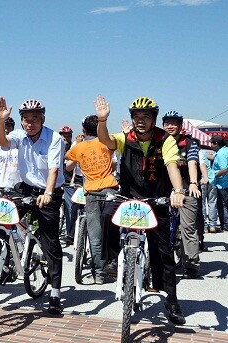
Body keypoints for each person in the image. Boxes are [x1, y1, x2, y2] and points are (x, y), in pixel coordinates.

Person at [95, 95, 187, 325]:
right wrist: (102, 120)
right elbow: (105, 140)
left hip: (157, 199)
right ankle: (112, 261)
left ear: (154, 119)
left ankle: (172, 300)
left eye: (145, 116)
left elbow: (172, 164)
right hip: (128, 196)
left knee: (163, 251)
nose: (140, 120)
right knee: (107, 214)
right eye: (136, 116)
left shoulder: (164, 139)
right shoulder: (127, 138)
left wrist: (177, 191)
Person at [0, 96, 65, 315]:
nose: (30, 122)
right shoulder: (19, 135)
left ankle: (55, 291)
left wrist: (49, 193)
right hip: (25, 188)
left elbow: (54, 169)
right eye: (26, 118)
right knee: (2, 219)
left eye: (35, 118)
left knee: (50, 240)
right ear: (22, 121)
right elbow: (2, 143)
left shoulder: (54, 138)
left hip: (48, 191)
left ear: (42, 118)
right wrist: (0, 121)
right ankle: (4, 263)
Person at [65, 115, 119, 284]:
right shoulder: (106, 142)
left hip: (91, 193)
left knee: (95, 236)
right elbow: (116, 164)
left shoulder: (78, 147)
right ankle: (114, 260)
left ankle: (99, 274)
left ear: (83, 130)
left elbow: (67, 165)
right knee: (111, 228)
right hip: (111, 189)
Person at [162, 111, 201, 278]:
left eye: (173, 123)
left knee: (187, 227)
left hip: (185, 189)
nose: (170, 126)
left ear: (180, 126)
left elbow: (192, 163)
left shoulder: (189, 143)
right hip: (164, 191)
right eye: (167, 123)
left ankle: (191, 263)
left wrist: (193, 183)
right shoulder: (159, 142)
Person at [59, 125, 83, 245]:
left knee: (72, 207)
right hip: (60, 181)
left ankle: (73, 233)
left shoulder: (74, 145)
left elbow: (71, 164)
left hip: (71, 181)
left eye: (68, 135)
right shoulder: (58, 146)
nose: (66, 137)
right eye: (64, 135)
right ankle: (69, 233)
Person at [211, 135, 228, 232]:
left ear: (216, 143)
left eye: (211, 143)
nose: (210, 145)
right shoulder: (224, 150)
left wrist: (212, 176)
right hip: (224, 182)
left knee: (223, 204)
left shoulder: (221, 154)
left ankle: (225, 224)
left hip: (222, 183)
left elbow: (224, 169)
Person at [200, 147, 219, 234]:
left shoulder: (196, 152)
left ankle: (204, 226)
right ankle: (212, 225)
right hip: (212, 179)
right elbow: (216, 157)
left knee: (202, 203)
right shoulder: (208, 152)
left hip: (201, 180)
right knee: (212, 203)